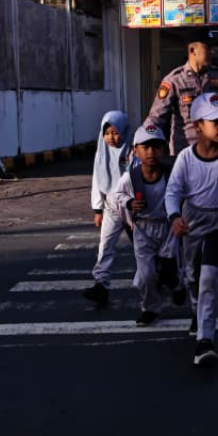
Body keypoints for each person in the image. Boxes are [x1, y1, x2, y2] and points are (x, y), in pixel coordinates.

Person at [165, 91, 218, 367]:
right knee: (191, 274)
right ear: (198, 125)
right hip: (192, 221)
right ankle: (195, 308)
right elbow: (172, 192)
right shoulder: (185, 159)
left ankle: (206, 339)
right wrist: (175, 216)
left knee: (208, 278)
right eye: (215, 121)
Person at [146, 33, 218, 163]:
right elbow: (156, 117)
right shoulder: (175, 80)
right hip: (184, 154)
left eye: (213, 48)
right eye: (208, 48)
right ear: (193, 50)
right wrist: (142, 142)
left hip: (215, 152)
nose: (213, 51)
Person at [114, 122, 184, 325]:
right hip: (143, 229)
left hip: (168, 228)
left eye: (155, 146)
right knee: (146, 275)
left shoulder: (171, 175)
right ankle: (150, 308)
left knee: (169, 266)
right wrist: (129, 202)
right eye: (145, 147)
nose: (150, 152)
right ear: (135, 151)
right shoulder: (131, 178)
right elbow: (117, 196)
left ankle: (176, 283)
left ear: (163, 149)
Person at [82, 110, 133, 306]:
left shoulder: (133, 150)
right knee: (105, 246)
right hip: (111, 206)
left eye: (116, 132)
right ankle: (101, 285)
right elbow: (97, 179)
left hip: (132, 206)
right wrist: (97, 209)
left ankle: (161, 276)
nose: (111, 138)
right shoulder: (101, 151)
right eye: (107, 133)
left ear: (124, 131)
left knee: (143, 247)